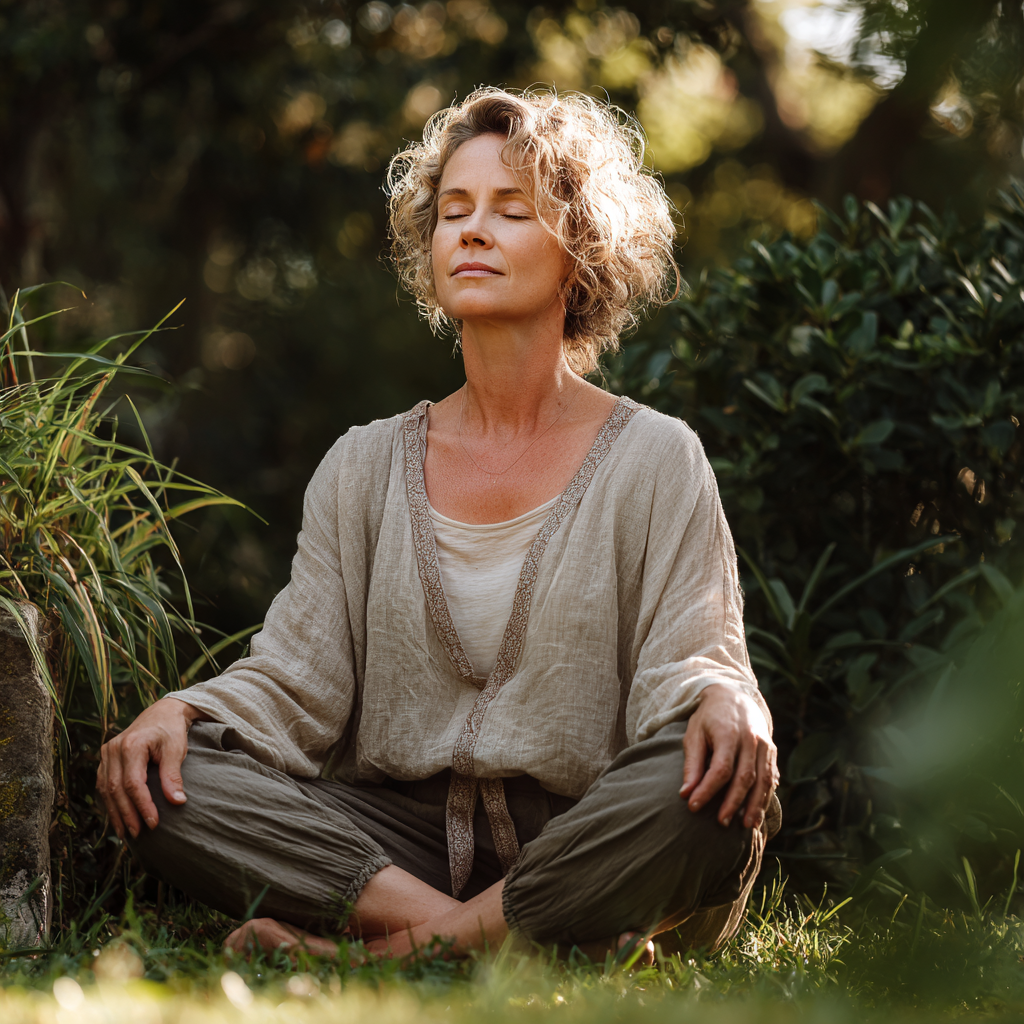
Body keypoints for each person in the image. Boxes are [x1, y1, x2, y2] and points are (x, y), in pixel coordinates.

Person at [97, 88, 780, 964]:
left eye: (512, 209)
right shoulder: (363, 465)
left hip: (586, 828)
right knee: (175, 779)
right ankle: (527, 942)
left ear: (581, 251)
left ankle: (390, 954)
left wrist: (724, 695)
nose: (473, 229)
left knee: (705, 786)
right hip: (393, 838)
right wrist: (184, 712)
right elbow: (296, 676)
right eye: (454, 210)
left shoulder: (656, 457)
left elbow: (693, 656)